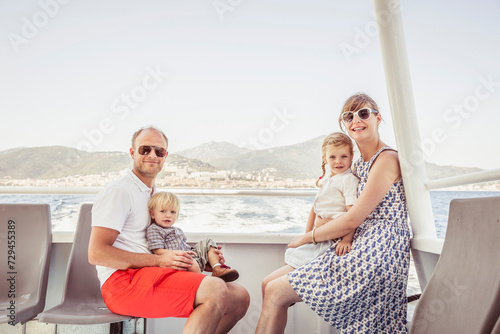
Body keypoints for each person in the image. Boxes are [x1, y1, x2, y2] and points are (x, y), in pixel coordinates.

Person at [255, 93, 411, 333]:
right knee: (268, 284)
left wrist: (307, 237)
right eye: (348, 116)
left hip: (378, 248)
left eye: (363, 113)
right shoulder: (356, 164)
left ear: (378, 118)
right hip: (354, 240)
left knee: (276, 291)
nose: (356, 119)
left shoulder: (387, 158)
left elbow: (353, 218)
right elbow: (337, 204)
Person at [88, 126, 249, 334]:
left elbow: (158, 244)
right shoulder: (119, 191)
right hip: (122, 283)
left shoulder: (152, 193)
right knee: (214, 289)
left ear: (165, 156)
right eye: (145, 149)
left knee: (239, 298)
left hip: (150, 273)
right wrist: (159, 260)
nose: (152, 155)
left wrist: (196, 259)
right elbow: (96, 253)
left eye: (159, 151)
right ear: (132, 153)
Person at [261, 132, 359, 297]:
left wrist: (347, 239)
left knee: (268, 284)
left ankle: (279, 301)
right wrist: (306, 236)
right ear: (325, 159)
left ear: (351, 156)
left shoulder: (348, 180)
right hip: (317, 237)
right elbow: (314, 209)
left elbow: (351, 214)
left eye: (343, 156)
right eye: (333, 157)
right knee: (271, 280)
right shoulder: (327, 178)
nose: (338, 161)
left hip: (329, 241)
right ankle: (279, 302)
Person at [147, 191, 239, 282]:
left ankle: (217, 268)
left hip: (189, 255)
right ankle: (203, 282)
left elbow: (185, 246)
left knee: (208, 241)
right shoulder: (155, 229)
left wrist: (204, 252)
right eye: (163, 211)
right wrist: (180, 253)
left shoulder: (177, 230)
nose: (168, 215)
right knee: (190, 261)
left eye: (173, 212)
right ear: (153, 214)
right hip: (178, 260)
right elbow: (157, 250)